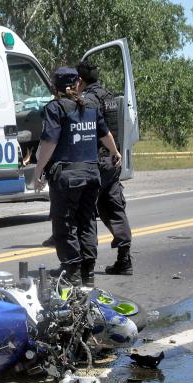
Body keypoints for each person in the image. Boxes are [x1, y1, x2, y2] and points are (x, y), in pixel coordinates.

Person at [33, 67, 121, 288]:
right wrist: (115, 152)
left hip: (67, 177)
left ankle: (72, 272)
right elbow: (104, 134)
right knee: (87, 221)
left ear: (55, 87)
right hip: (92, 174)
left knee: (65, 224)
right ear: (78, 83)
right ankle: (87, 272)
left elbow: (49, 142)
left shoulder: (56, 108)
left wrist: (38, 171)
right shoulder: (90, 106)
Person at [77, 59, 133, 275]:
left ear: (80, 80)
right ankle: (124, 260)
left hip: (96, 161)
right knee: (114, 208)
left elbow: (88, 132)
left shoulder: (88, 100)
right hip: (113, 160)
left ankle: (85, 265)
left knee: (85, 210)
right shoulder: (109, 97)